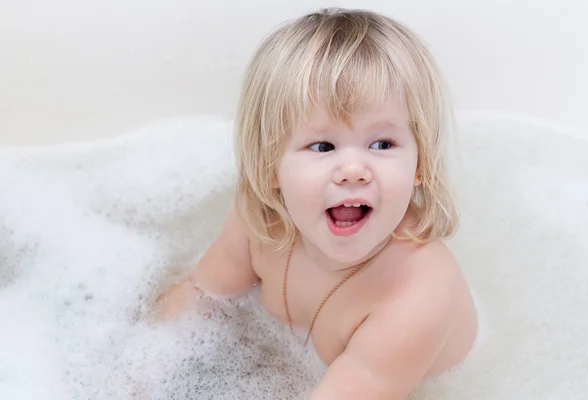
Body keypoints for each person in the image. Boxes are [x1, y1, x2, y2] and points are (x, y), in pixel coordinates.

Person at [156, 7, 478, 399]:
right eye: (322, 145)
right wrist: (138, 372)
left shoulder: (415, 296)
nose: (354, 170)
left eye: (382, 144)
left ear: (420, 164)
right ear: (270, 166)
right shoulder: (261, 220)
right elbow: (200, 294)